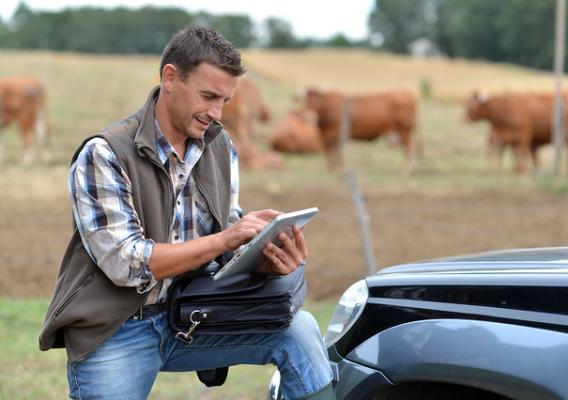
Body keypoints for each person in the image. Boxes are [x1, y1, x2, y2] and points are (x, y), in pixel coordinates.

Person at [38, 26, 335, 400]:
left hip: (192, 315)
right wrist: (225, 238)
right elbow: (125, 262)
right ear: (170, 78)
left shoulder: (219, 145)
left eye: (225, 100)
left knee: (300, 331)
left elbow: (226, 241)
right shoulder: (104, 153)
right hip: (114, 329)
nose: (216, 112)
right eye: (208, 96)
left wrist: (264, 257)